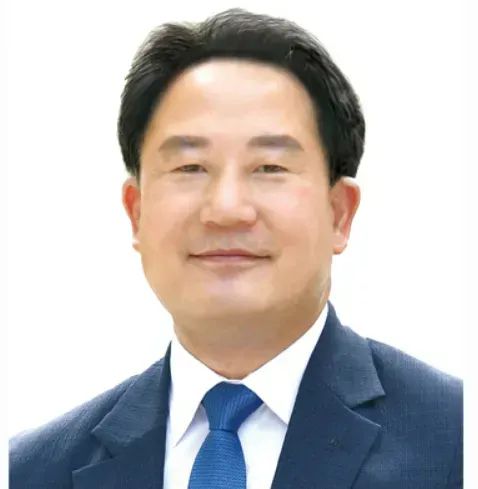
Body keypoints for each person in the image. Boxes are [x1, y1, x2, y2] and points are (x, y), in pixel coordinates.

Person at [9, 7, 462, 489]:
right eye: (190, 168)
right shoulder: (33, 470)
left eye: (269, 168)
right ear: (136, 212)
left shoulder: (455, 439)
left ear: (339, 213)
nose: (226, 209)